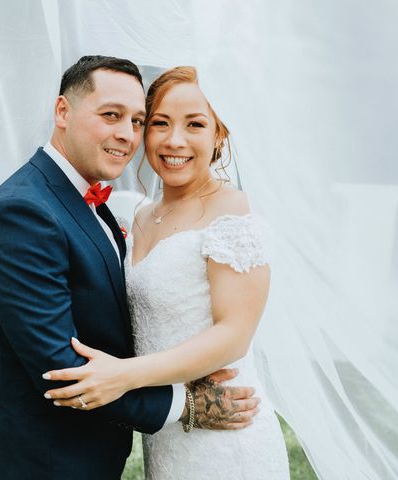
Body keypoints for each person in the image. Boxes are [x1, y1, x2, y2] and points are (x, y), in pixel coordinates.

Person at [0, 57, 261, 479]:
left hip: (103, 449)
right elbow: (61, 370)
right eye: (111, 115)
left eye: (138, 120)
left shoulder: (91, 202)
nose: (127, 134)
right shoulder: (22, 211)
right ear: (62, 112)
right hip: (46, 460)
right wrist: (188, 404)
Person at [43, 66, 290, 479]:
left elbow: (233, 335)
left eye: (195, 124)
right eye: (159, 123)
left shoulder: (232, 213)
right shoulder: (139, 214)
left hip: (226, 435)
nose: (175, 140)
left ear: (219, 135)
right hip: (169, 435)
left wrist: (122, 375)